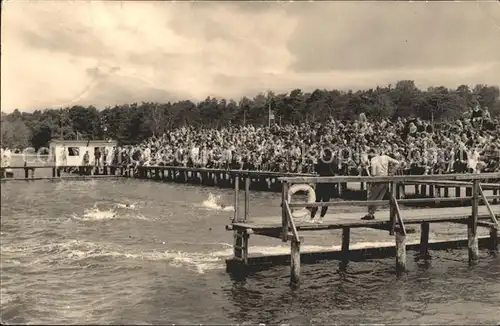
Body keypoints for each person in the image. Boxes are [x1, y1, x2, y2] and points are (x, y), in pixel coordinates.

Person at [362, 150, 399, 220]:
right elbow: (397, 163)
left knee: (371, 197)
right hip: (385, 179)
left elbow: (373, 173)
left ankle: (370, 214)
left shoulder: (373, 160)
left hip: (377, 180)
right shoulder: (385, 157)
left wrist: (368, 171)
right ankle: (371, 214)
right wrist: (391, 173)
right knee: (379, 198)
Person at [310, 147, 337, 221]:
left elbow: (317, 170)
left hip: (321, 182)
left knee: (317, 200)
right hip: (329, 183)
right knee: (326, 200)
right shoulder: (334, 161)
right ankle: (321, 218)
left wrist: (315, 162)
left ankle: (312, 217)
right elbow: (336, 170)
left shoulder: (321, 160)